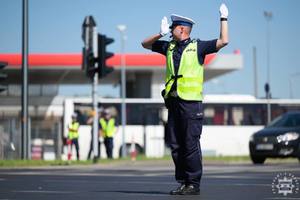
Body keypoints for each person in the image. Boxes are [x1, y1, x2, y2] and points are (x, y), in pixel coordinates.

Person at [141, 4, 229, 195]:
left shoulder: (198, 47)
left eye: (172, 29)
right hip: (174, 103)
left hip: (191, 104)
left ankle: (193, 184)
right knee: (175, 145)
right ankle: (183, 182)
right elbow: (145, 44)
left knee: (190, 145)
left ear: (181, 29)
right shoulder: (169, 47)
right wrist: (159, 33)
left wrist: (223, 19)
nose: (170, 32)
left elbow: (223, 41)